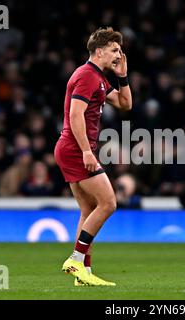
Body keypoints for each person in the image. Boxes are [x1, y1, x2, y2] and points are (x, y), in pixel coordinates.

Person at [54, 27, 132, 286]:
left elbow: (124, 105)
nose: (119, 55)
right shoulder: (87, 76)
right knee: (109, 203)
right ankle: (76, 259)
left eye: (120, 51)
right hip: (77, 149)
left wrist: (123, 77)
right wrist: (87, 150)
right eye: (114, 50)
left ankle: (83, 273)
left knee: (88, 209)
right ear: (99, 51)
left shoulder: (97, 77)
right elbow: (76, 115)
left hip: (72, 148)